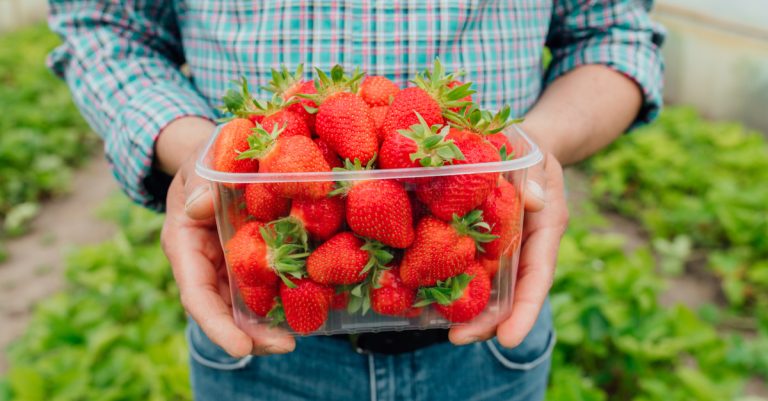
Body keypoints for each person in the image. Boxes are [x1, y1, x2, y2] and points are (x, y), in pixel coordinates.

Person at [48, 1, 664, 400]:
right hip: (261, 331)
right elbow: (106, 28)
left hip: (486, 335)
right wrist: (201, 156)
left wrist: (531, 148)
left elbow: (613, 33)